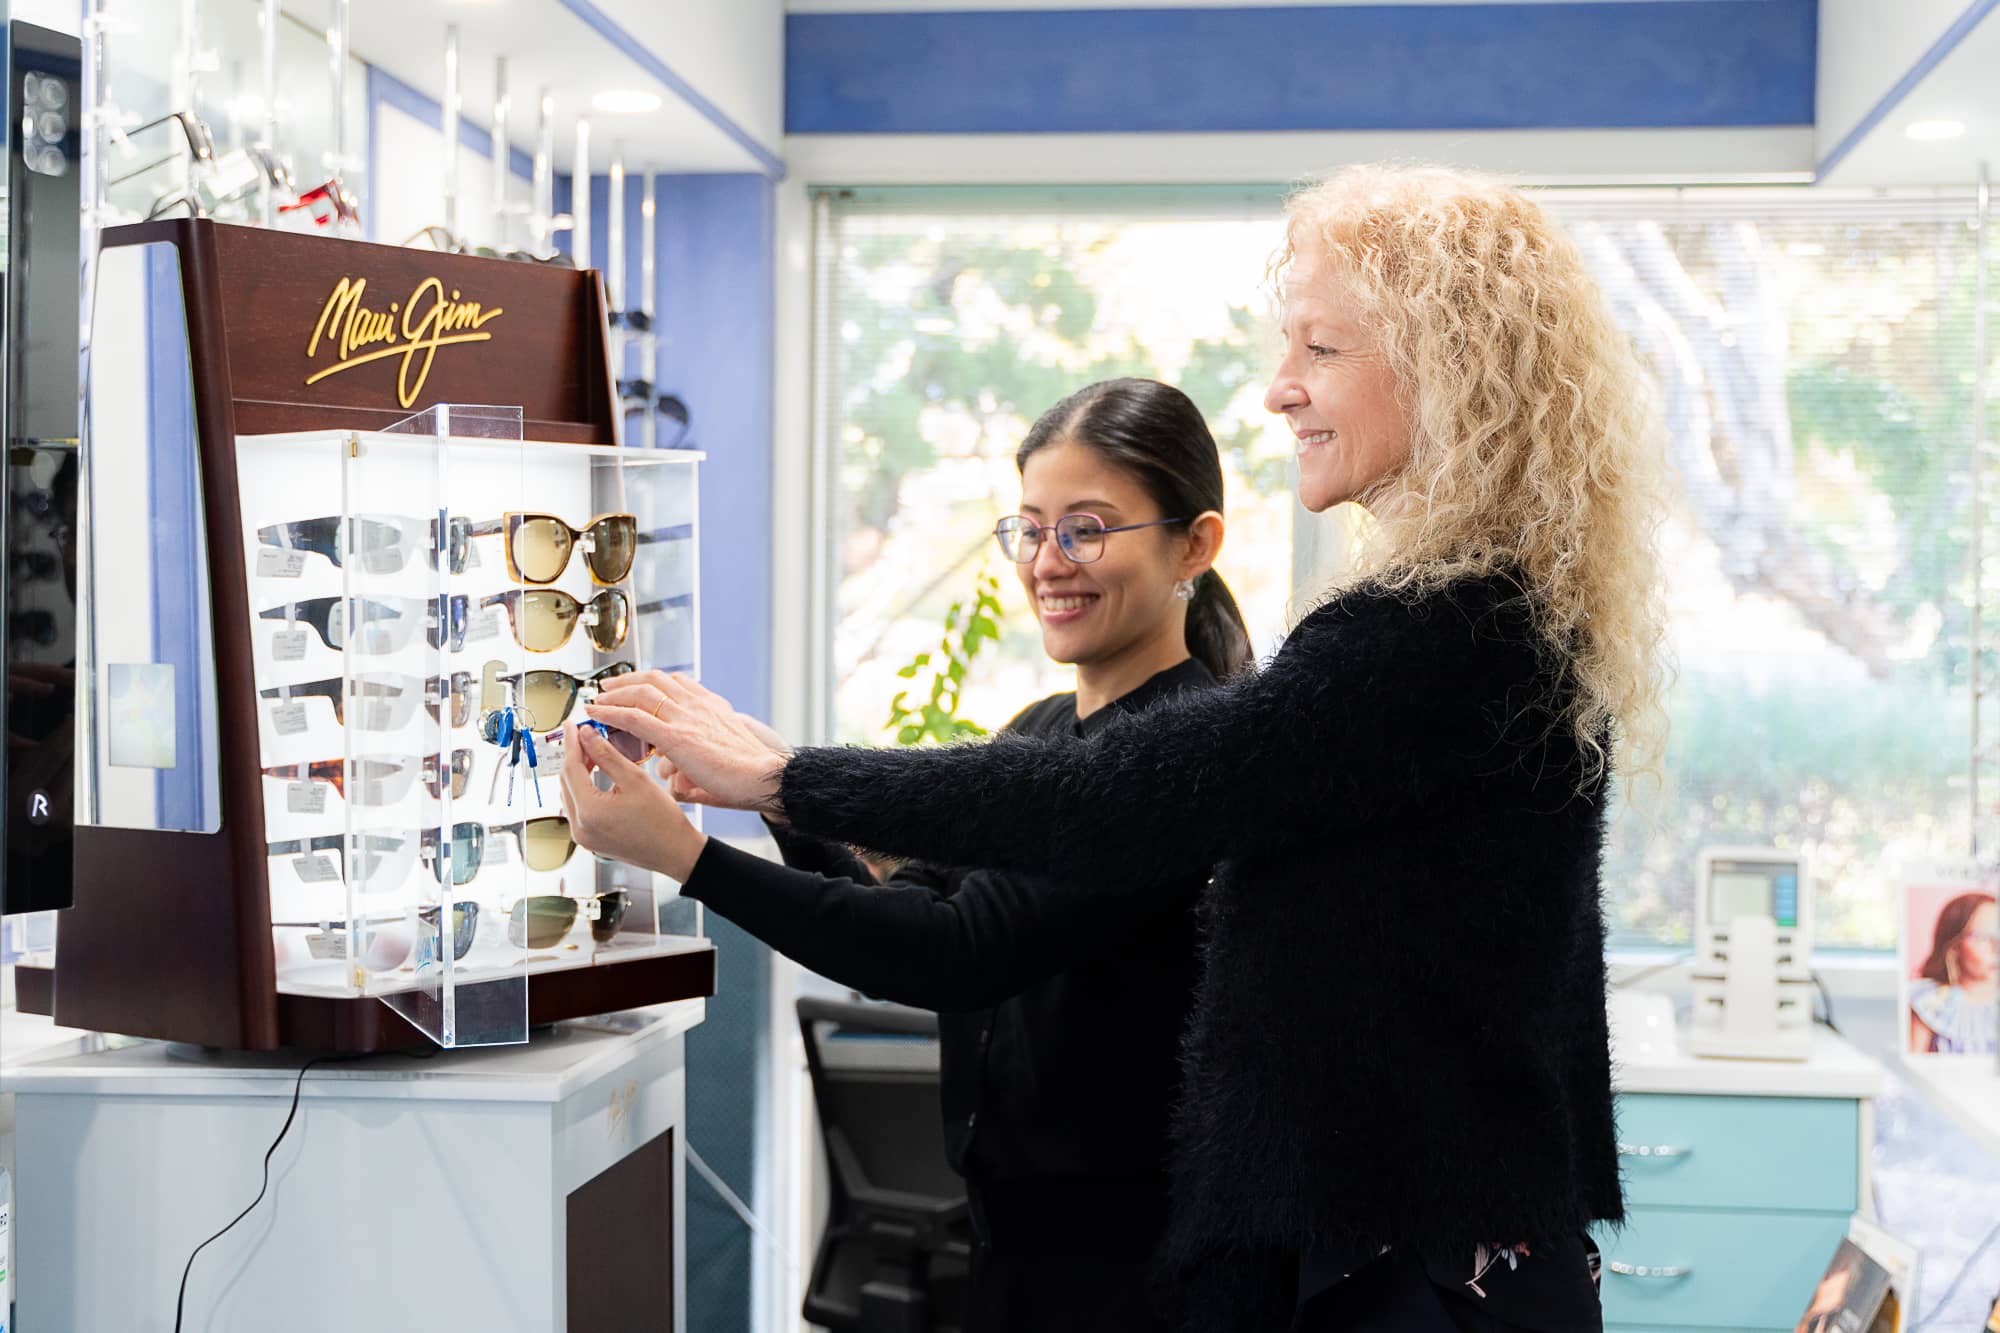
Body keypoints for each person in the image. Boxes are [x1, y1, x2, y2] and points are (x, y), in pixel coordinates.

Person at [569, 165, 1669, 1333]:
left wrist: (776, 783)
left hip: (1405, 1275)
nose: (1278, 390)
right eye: (1032, 528)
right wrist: (781, 794)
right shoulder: (1486, 622)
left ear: (1446, 364)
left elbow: (1102, 810)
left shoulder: (1435, 633)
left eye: (1320, 350)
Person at [565, 378, 1253, 1332]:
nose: (1049, 562)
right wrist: (765, 795)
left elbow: (954, 950)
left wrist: (690, 857)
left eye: (1086, 530)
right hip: (1016, 1243)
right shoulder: (1047, 730)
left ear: (1195, 544)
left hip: (1129, 1272)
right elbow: (913, 909)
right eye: (1030, 528)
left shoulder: (1182, 758)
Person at [1908, 892, 1998, 1055]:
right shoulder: (1930, 1002)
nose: (1996, 947)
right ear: (1954, 947)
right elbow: (1910, 1068)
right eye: (1983, 938)